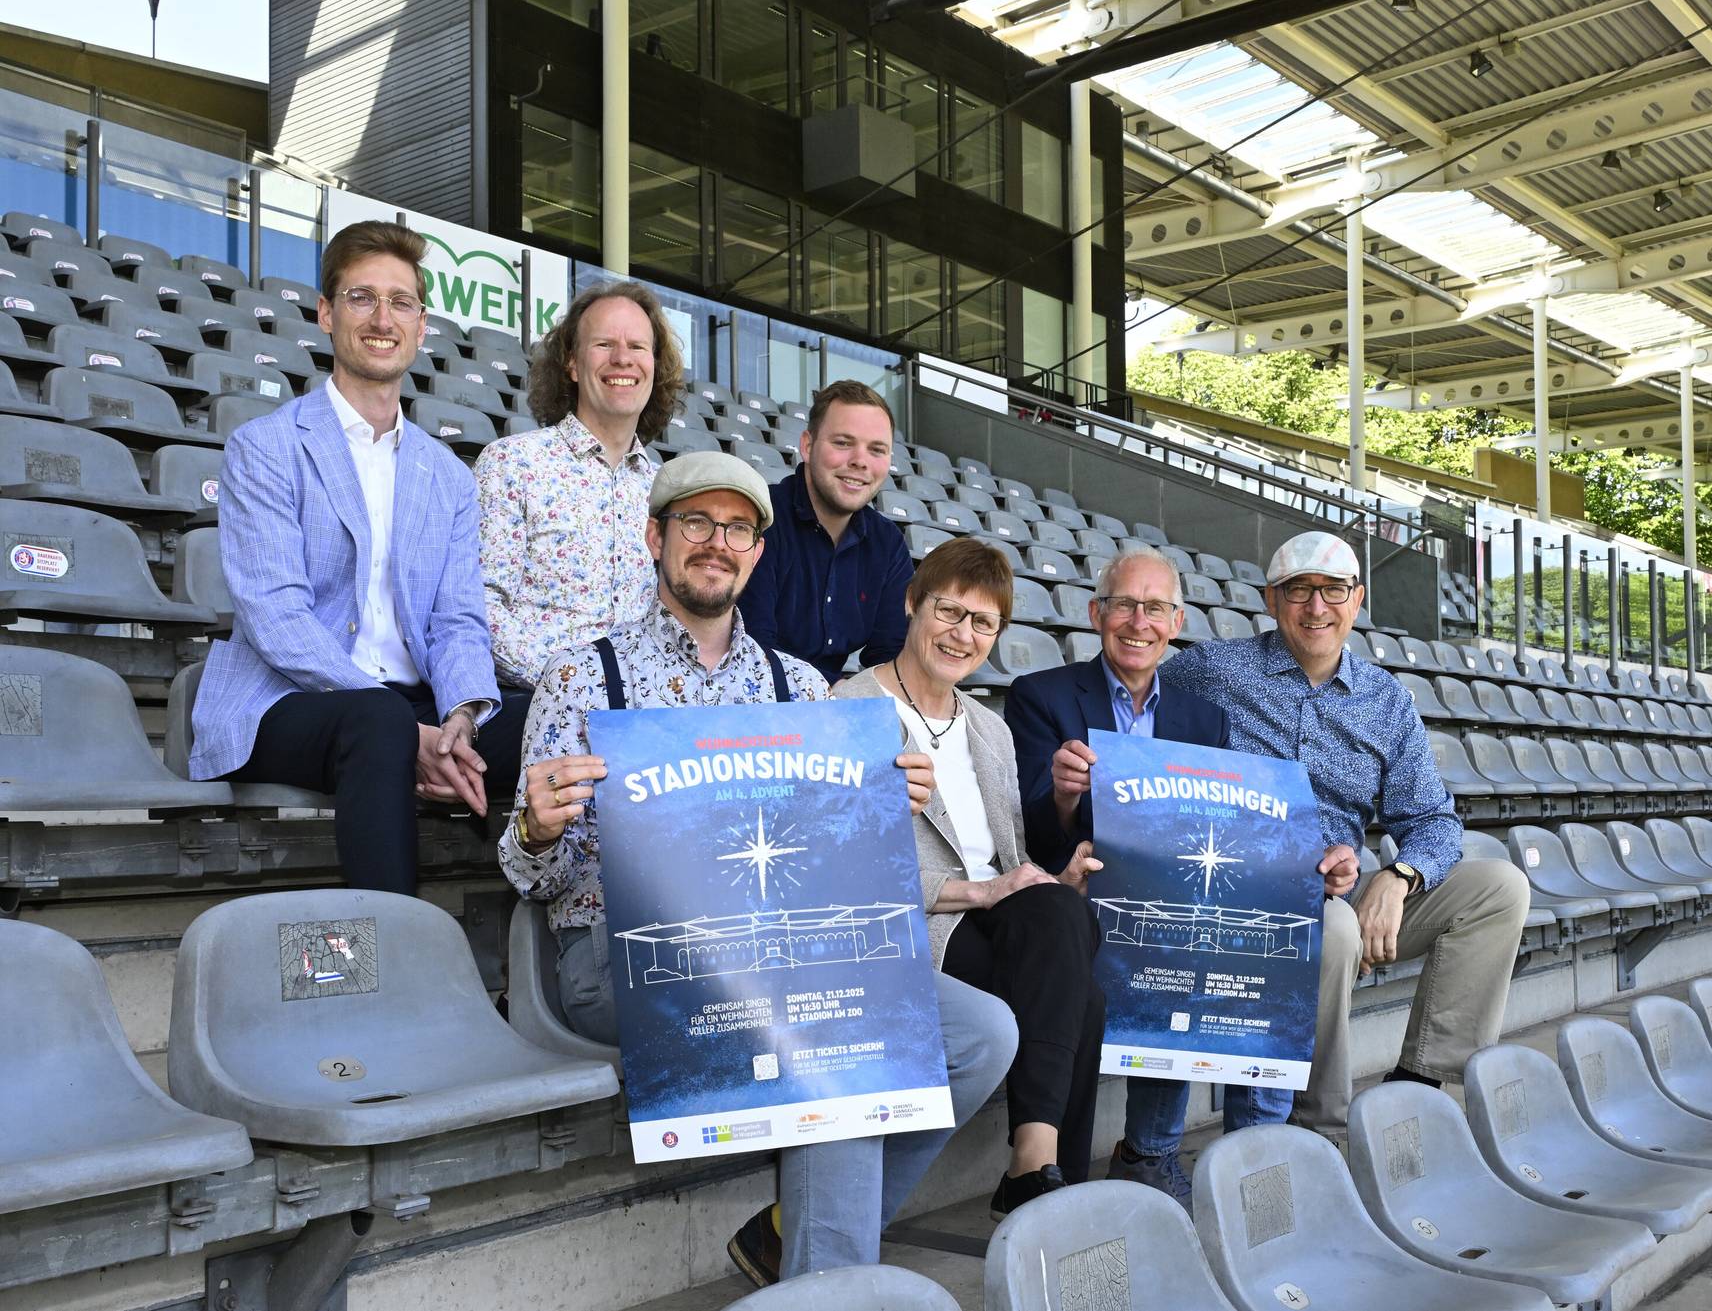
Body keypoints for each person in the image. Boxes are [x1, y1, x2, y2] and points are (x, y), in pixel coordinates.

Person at [497, 450, 1005, 1288]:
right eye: (697, 522)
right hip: (625, 952)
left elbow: (834, 861)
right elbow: (529, 877)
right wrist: (537, 829)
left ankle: (791, 1239)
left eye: (738, 527)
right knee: (836, 1035)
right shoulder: (581, 676)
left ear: (757, 552)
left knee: (985, 1033)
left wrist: (885, 810)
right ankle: (831, 1291)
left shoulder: (798, 686)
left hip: (781, 943)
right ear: (655, 537)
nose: (717, 542)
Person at [1159, 530, 1530, 1141]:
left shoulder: (1385, 700)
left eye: (1333, 590)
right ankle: (1315, 1128)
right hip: (1248, 896)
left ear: (1357, 600)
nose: (1316, 607)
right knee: (1327, 928)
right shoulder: (1211, 671)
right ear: (1271, 600)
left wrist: (1399, 874)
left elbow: (1433, 820)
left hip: (1350, 886)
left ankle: (1417, 1087)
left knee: (1499, 887)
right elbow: (1133, 707)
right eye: (1299, 591)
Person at [188, 220, 496, 895]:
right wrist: (405, 727)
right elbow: (276, 618)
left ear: (421, 327)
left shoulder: (447, 476)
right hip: (287, 702)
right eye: (362, 298)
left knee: (552, 718)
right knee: (382, 719)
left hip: (412, 708)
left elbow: (459, 622)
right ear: (327, 314)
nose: (383, 318)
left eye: (401, 302)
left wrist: (457, 722)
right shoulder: (265, 447)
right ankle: (393, 961)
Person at [835, 537, 1105, 1215]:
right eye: (950, 612)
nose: (963, 634)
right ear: (912, 603)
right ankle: (1043, 1182)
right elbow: (836, 868)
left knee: (1064, 912)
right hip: (913, 922)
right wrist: (978, 891)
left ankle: (1036, 1171)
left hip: (1001, 919)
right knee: (1083, 994)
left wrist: (1038, 880)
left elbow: (1009, 856)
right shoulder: (849, 706)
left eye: (983, 623)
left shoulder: (990, 728)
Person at [1003, 545, 1247, 1201]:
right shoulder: (1040, 696)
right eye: (1124, 605)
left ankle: (1223, 1149)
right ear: (1095, 613)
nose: (1138, 621)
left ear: (1176, 621)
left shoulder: (1206, 720)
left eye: (1155, 608)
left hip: (1174, 897)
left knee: (1249, 938)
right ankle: (1114, 1163)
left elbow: (1217, 828)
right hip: (1082, 899)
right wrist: (1060, 798)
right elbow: (1024, 830)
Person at [472, 280, 683, 793]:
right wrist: (587, 683)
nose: (622, 359)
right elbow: (482, 607)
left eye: (637, 346)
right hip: (530, 703)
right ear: (571, 363)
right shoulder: (512, 464)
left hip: (640, 715)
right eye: (603, 344)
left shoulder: (666, 491)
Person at [739, 379, 912, 682]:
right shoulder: (760, 519)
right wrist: (834, 692)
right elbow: (751, 651)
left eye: (877, 450)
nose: (860, 461)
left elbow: (891, 657)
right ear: (807, 445)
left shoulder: (888, 544)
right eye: (843, 443)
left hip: (836, 706)